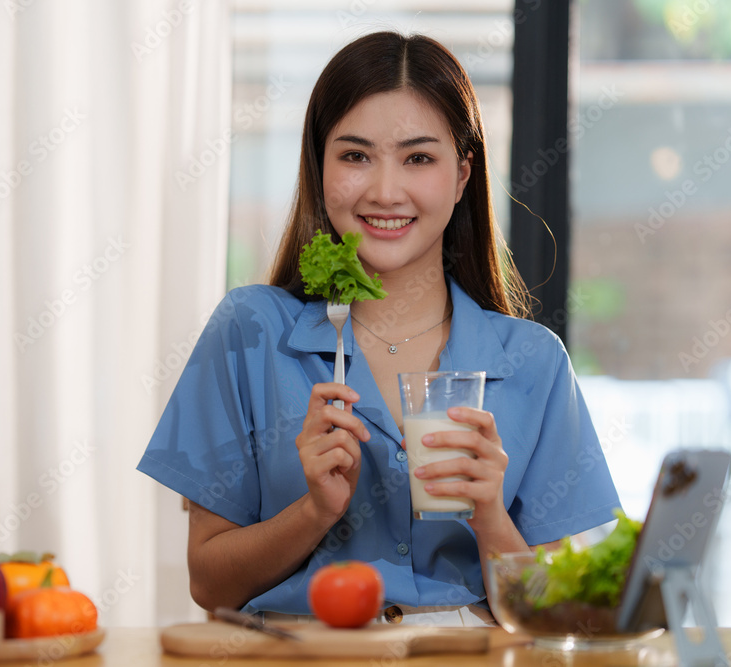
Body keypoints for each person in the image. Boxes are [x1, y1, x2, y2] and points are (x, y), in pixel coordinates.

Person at [138, 31, 620, 625]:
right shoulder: (249, 332)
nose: (385, 191)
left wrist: (491, 517)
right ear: (320, 167)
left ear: (463, 174)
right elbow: (210, 586)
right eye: (355, 155)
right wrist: (312, 512)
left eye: (418, 158)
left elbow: (560, 617)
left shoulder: (534, 363)